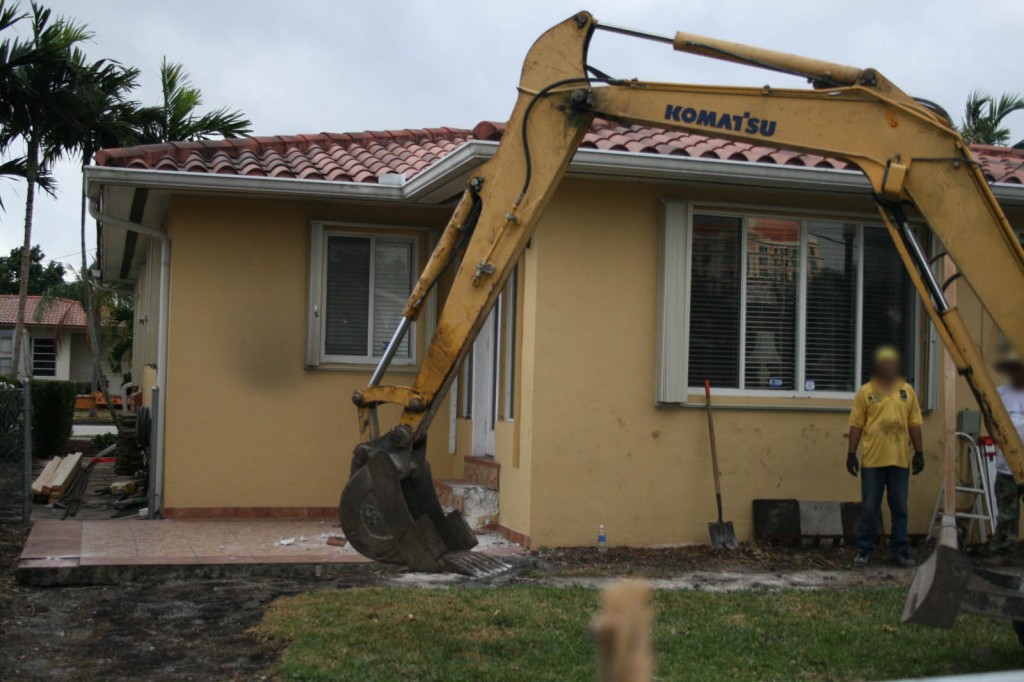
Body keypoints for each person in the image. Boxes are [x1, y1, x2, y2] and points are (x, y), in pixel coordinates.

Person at [846, 346, 924, 567]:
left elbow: (915, 424)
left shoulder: (907, 391)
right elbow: (856, 425)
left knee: (899, 507)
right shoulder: (866, 392)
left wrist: (919, 452)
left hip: (899, 460)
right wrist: (851, 453)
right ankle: (864, 550)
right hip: (872, 461)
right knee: (870, 507)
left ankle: (901, 550)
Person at [989, 346, 1024, 555]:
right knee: (1007, 514)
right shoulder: (999, 393)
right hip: (1006, 467)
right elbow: (992, 423)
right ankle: (1003, 552)